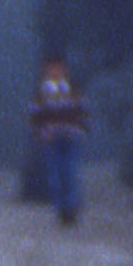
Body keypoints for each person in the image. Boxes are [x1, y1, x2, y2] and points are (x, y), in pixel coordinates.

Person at [27, 55, 89, 226]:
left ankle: (71, 208)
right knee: (55, 174)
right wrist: (40, 132)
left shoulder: (73, 90)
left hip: (70, 137)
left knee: (69, 171)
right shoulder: (42, 93)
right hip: (51, 138)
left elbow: (82, 111)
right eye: (51, 68)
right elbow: (36, 116)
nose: (55, 72)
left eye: (58, 68)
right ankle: (61, 207)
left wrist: (80, 130)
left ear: (64, 70)